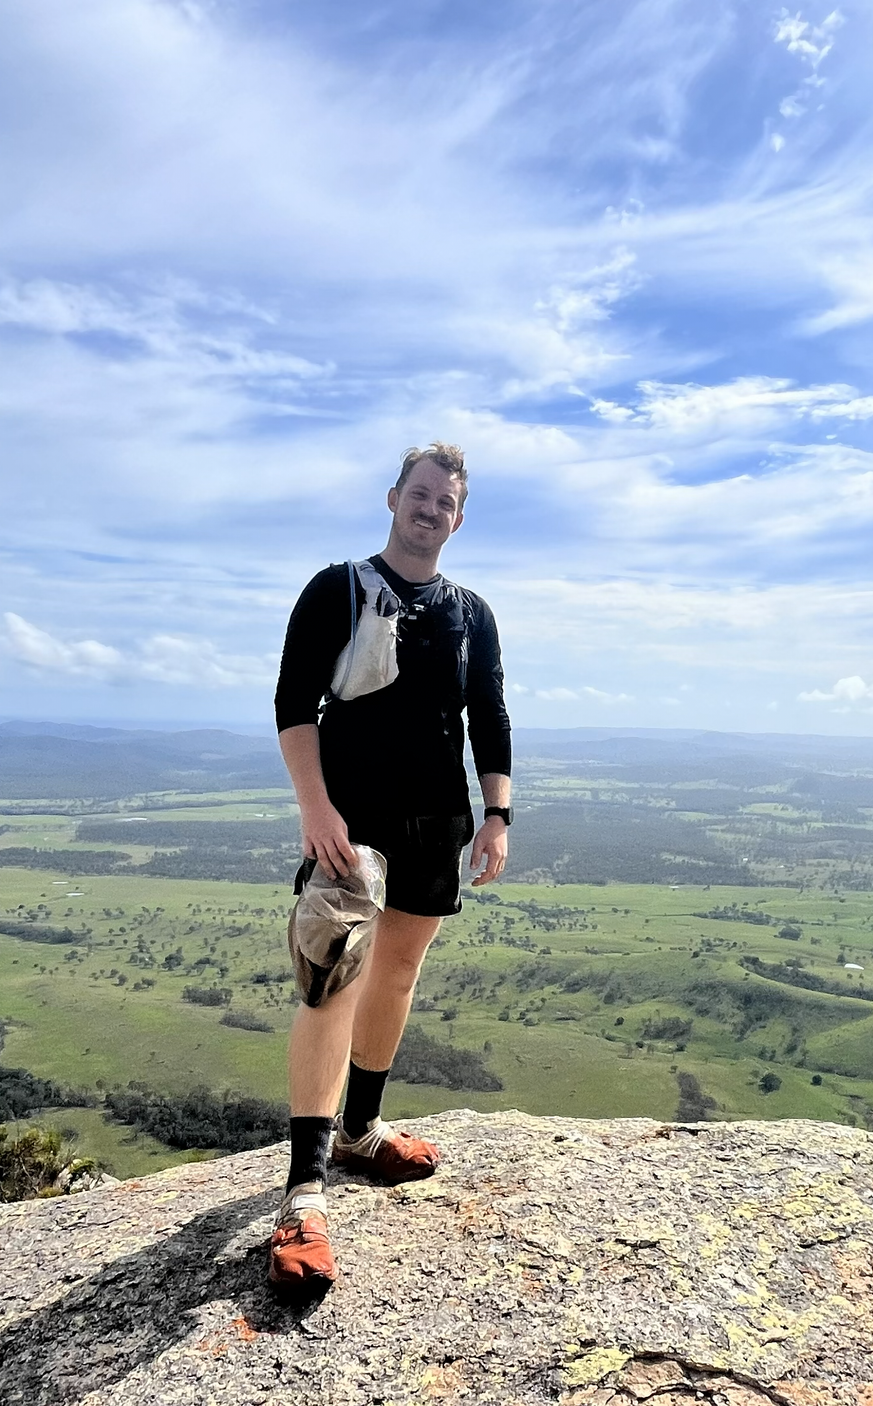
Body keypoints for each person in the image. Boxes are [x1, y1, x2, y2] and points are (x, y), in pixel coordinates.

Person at [265, 442, 512, 1293]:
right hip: (350, 824)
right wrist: (315, 808)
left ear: (459, 517)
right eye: (420, 494)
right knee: (333, 981)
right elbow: (295, 703)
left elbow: (489, 713)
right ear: (393, 499)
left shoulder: (470, 611)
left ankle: (362, 1132)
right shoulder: (337, 587)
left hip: (436, 823)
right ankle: (303, 1192)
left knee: (398, 974)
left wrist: (497, 815)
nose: (430, 509)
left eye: (446, 501)